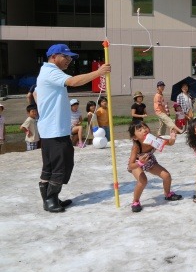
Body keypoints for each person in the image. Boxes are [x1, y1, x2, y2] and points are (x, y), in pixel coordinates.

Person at [36, 43, 111, 213]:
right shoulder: (51, 71)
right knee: (62, 164)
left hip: (51, 129)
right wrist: (99, 73)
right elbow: (73, 81)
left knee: (51, 166)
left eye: (70, 57)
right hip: (55, 130)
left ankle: (50, 198)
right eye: (66, 56)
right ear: (54, 56)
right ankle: (50, 199)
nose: (69, 60)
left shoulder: (46, 72)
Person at [126, 121, 182, 212]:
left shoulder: (155, 139)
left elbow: (170, 143)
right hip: (137, 164)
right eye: (140, 130)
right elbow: (130, 166)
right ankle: (135, 201)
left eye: (145, 127)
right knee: (143, 181)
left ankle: (168, 194)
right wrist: (140, 162)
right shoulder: (136, 147)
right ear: (135, 137)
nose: (144, 130)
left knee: (166, 176)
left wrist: (172, 136)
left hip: (150, 161)